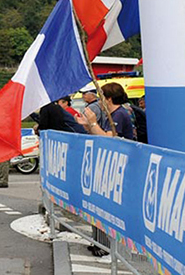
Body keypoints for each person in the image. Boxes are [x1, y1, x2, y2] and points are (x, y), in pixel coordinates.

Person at [75, 82, 134, 257]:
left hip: (118, 167)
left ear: (108, 99)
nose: (99, 102)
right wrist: (88, 125)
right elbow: (100, 134)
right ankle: (100, 242)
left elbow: (109, 139)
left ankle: (106, 246)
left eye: (101, 98)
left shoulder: (120, 114)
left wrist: (93, 122)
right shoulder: (112, 114)